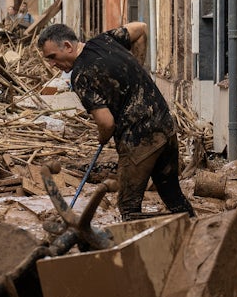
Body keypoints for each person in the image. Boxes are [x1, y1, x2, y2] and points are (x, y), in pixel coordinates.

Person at [38, 23, 194, 221]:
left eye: (52, 57)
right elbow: (140, 28)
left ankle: (139, 250)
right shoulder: (105, 40)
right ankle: (200, 236)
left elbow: (107, 122)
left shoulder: (81, 76)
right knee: (172, 195)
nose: (52, 64)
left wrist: (102, 137)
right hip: (165, 126)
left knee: (128, 207)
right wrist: (137, 71)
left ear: (68, 46)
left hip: (139, 141)